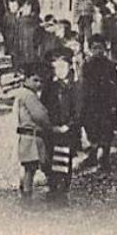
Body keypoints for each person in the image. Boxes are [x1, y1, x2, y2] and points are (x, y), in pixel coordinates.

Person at [41, 51, 80, 202]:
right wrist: (48, 125)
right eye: (57, 67)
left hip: (67, 130)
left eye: (63, 67)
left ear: (70, 67)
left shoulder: (75, 87)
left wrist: (68, 126)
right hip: (52, 129)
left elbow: (78, 111)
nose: (60, 71)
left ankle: (63, 190)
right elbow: (43, 107)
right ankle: (52, 186)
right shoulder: (50, 86)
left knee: (64, 159)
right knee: (50, 158)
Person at [79, 35, 117, 170]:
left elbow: (116, 86)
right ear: (90, 49)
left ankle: (105, 159)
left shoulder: (110, 66)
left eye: (100, 48)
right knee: (92, 131)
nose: (98, 51)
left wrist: (115, 103)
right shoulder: (86, 65)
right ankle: (93, 155)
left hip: (106, 104)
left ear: (105, 48)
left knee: (107, 132)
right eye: (94, 48)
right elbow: (82, 85)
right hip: (91, 104)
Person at [14, 65, 54, 199]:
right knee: (31, 168)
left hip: (26, 136)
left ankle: (26, 193)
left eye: (41, 81)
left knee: (29, 167)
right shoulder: (29, 95)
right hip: (32, 137)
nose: (39, 84)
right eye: (35, 80)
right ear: (25, 79)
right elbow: (40, 115)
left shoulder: (22, 93)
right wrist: (50, 126)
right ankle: (27, 195)